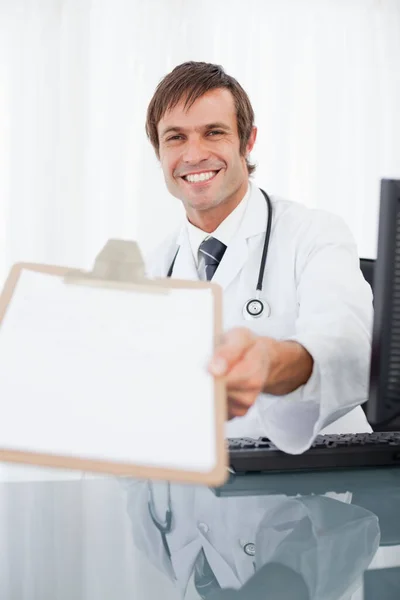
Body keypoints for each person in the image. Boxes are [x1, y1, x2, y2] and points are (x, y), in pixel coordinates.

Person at [144, 61, 373, 454]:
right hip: (199, 490)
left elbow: (348, 348)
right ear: (159, 152)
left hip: (322, 486)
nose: (194, 154)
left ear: (247, 141)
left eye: (213, 132)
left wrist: (270, 362)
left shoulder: (315, 234)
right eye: (176, 138)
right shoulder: (153, 270)